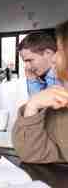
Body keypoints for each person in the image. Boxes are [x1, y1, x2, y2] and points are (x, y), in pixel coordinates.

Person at [13, 20, 68, 163]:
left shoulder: (58, 77)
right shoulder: (44, 76)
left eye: (30, 60)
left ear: (48, 53)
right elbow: (40, 104)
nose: (27, 67)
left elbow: (47, 116)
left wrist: (33, 104)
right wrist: (34, 101)